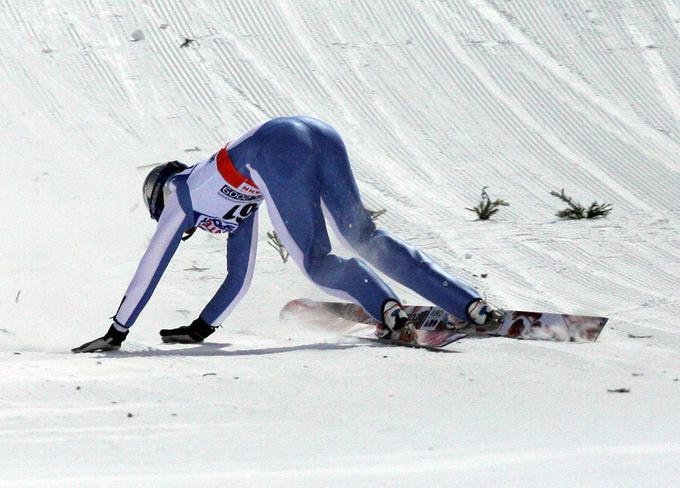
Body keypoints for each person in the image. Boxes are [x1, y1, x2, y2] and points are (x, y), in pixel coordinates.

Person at [72, 116, 500, 353]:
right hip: (316, 132)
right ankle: (470, 304)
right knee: (364, 234)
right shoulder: (231, 203)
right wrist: (202, 328)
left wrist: (118, 330)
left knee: (316, 260)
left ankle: (387, 311)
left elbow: (152, 265)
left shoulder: (181, 197)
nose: (198, 229)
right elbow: (238, 277)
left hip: (275, 149)